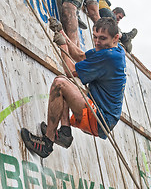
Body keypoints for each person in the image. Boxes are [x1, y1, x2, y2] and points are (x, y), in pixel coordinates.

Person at [21, 17, 127, 158]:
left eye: (102, 38)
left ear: (116, 37)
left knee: (60, 83)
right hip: (103, 116)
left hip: (101, 118)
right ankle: (65, 133)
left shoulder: (110, 57)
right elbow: (81, 56)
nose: (97, 42)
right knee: (66, 87)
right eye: (95, 37)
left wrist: (63, 45)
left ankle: (47, 142)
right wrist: (61, 32)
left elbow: (69, 71)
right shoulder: (115, 49)